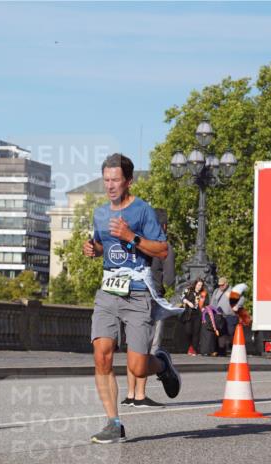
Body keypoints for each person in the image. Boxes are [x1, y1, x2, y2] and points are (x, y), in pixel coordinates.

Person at [83, 153, 181, 443]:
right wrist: (94, 249)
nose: (110, 186)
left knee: (138, 367)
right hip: (108, 292)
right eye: (106, 180)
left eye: (115, 180)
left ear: (128, 181)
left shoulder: (142, 211)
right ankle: (113, 423)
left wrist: (131, 236)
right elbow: (103, 244)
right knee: (102, 356)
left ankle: (162, 364)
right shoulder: (100, 213)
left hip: (138, 293)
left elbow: (162, 250)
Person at [123, 209, 175, 408]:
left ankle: (129, 394)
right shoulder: (164, 247)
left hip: (130, 297)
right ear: (163, 226)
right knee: (147, 347)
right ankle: (140, 394)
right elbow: (170, 279)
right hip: (152, 299)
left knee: (131, 347)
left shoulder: (133, 242)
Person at [181, 279, 207, 355]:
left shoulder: (203, 293)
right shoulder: (188, 290)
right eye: (198, 285)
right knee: (188, 331)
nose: (200, 287)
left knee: (196, 332)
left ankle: (194, 349)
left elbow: (206, 303)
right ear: (195, 284)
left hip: (198, 315)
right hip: (189, 314)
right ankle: (190, 345)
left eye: (201, 285)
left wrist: (204, 308)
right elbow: (182, 298)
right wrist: (188, 303)